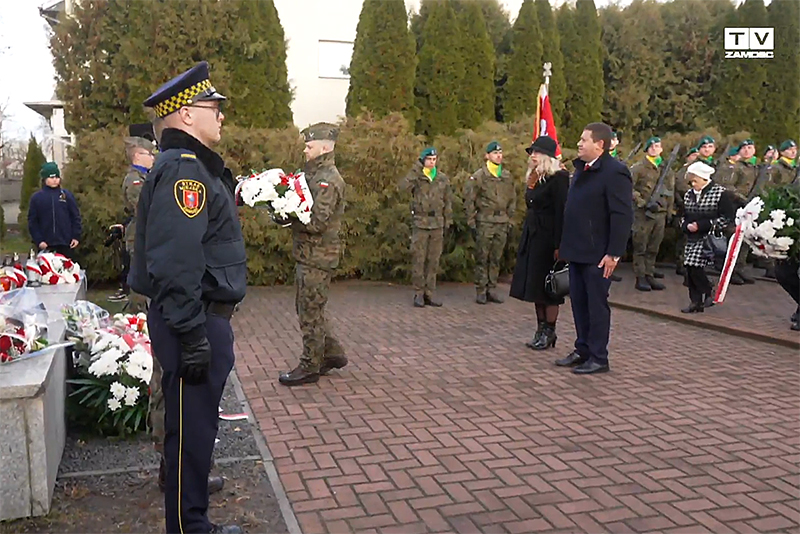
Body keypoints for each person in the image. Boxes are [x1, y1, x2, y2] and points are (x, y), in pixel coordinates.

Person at [130, 61, 245, 534]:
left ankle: (190, 518)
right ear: (185, 116)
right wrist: (193, 332)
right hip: (191, 320)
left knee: (195, 430)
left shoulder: (190, 169)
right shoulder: (185, 173)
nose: (220, 114)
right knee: (191, 434)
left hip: (195, 317)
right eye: (212, 106)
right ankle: (188, 527)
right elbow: (176, 263)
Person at [555, 123, 633, 375]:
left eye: (583, 140)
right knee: (578, 302)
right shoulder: (582, 169)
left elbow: (621, 215)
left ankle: (599, 357)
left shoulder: (615, 172)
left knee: (596, 305)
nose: (579, 144)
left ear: (600, 144)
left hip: (599, 254)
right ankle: (583, 349)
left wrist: (614, 253)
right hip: (577, 249)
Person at [278, 122, 348, 387]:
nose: (305, 151)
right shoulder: (313, 176)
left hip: (317, 256)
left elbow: (317, 222)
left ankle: (310, 365)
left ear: (324, 147)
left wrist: (286, 217)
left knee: (309, 310)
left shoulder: (327, 180)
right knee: (311, 307)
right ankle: (332, 353)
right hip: (310, 254)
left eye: (309, 146)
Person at [509, 136, 569, 351]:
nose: (532, 155)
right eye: (531, 152)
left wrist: (560, 245)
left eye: (536, 152)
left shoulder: (559, 178)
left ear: (547, 156)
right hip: (533, 236)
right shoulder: (535, 177)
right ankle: (540, 329)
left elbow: (562, 212)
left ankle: (550, 331)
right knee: (535, 286)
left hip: (549, 238)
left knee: (550, 288)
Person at [679, 161, 737, 313]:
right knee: (689, 268)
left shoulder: (720, 193)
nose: (692, 184)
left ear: (704, 179)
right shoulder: (689, 195)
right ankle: (695, 301)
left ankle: (708, 289)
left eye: (695, 181)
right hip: (692, 237)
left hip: (708, 237)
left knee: (695, 266)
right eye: (690, 182)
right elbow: (683, 215)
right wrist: (685, 226)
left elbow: (728, 218)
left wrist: (704, 225)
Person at [398, 147, 452, 307]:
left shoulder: (442, 178)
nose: (432, 162)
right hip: (421, 223)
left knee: (433, 260)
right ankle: (418, 293)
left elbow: (447, 201)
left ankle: (430, 293)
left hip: (437, 223)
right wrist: (416, 168)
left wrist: (447, 220)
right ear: (423, 160)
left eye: (434, 159)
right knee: (419, 259)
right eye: (429, 159)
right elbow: (402, 188)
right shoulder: (417, 177)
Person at [465, 141, 516, 304]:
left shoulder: (506, 176)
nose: (498, 156)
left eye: (500, 153)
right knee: (482, 256)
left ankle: (491, 288)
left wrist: (509, 217)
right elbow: (470, 199)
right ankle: (481, 289)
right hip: (485, 221)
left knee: (496, 257)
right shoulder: (479, 176)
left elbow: (512, 198)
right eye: (495, 153)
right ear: (487, 156)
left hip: (501, 221)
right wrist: (471, 221)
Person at [109, 137, 156, 303]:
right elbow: (144, 209)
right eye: (149, 154)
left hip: (146, 234)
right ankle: (138, 321)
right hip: (138, 236)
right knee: (142, 287)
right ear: (137, 156)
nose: (153, 157)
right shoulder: (135, 180)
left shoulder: (146, 177)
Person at [630, 136, 672, 291]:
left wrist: (669, 210)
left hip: (660, 213)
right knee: (641, 246)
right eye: (652, 146)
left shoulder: (665, 168)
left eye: (658, 146)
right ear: (647, 149)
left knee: (653, 247)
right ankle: (640, 277)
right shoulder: (639, 167)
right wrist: (643, 203)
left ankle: (649, 274)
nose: (655, 148)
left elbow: (670, 191)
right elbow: (629, 188)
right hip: (643, 213)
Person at [27, 162, 82, 260]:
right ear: (44, 179)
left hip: (65, 243)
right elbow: (33, 222)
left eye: (57, 177)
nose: (54, 180)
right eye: (51, 178)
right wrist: (39, 240)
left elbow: (75, 217)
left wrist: (75, 236)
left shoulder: (66, 195)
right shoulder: (37, 198)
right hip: (46, 245)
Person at [673, 147, 699, 276]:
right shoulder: (682, 172)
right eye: (693, 155)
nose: (695, 158)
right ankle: (681, 262)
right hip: (684, 208)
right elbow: (680, 188)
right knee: (683, 238)